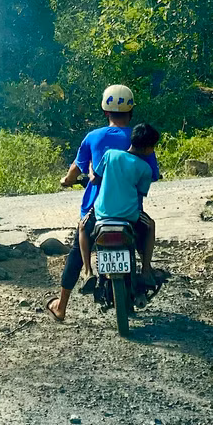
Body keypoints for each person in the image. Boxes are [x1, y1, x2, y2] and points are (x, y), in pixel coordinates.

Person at [46, 84, 160, 322]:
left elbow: (77, 169)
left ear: (105, 112)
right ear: (131, 112)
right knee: (143, 235)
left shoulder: (93, 137)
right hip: (130, 212)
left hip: (96, 210)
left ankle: (62, 305)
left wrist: (67, 180)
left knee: (77, 252)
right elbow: (152, 174)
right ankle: (145, 271)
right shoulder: (140, 138)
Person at [77, 123, 160, 295]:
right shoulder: (145, 169)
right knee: (151, 225)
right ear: (148, 148)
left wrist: (91, 168)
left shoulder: (110, 155)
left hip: (101, 214)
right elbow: (140, 192)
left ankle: (87, 272)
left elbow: (94, 180)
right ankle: (145, 270)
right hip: (130, 217)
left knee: (82, 227)